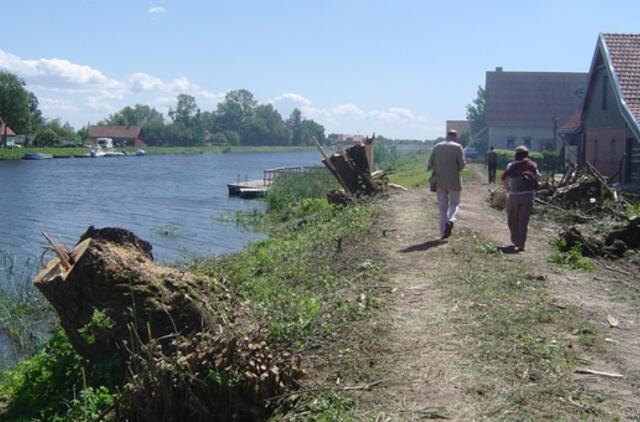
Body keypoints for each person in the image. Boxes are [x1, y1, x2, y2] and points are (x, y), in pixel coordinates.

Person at [501, 145, 541, 252]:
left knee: (512, 219)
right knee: (523, 220)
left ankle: (515, 240)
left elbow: (504, 179)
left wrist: (507, 190)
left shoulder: (511, 165)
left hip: (514, 195)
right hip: (528, 195)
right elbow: (538, 177)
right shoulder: (532, 164)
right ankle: (521, 244)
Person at [427, 129, 466, 239]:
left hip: (439, 180)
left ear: (447, 136)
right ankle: (451, 220)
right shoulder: (458, 147)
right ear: (455, 136)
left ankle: (443, 233)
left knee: (442, 208)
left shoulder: (437, 146)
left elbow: (429, 164)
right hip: (454, 180)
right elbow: (462, 166)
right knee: (454, 204)